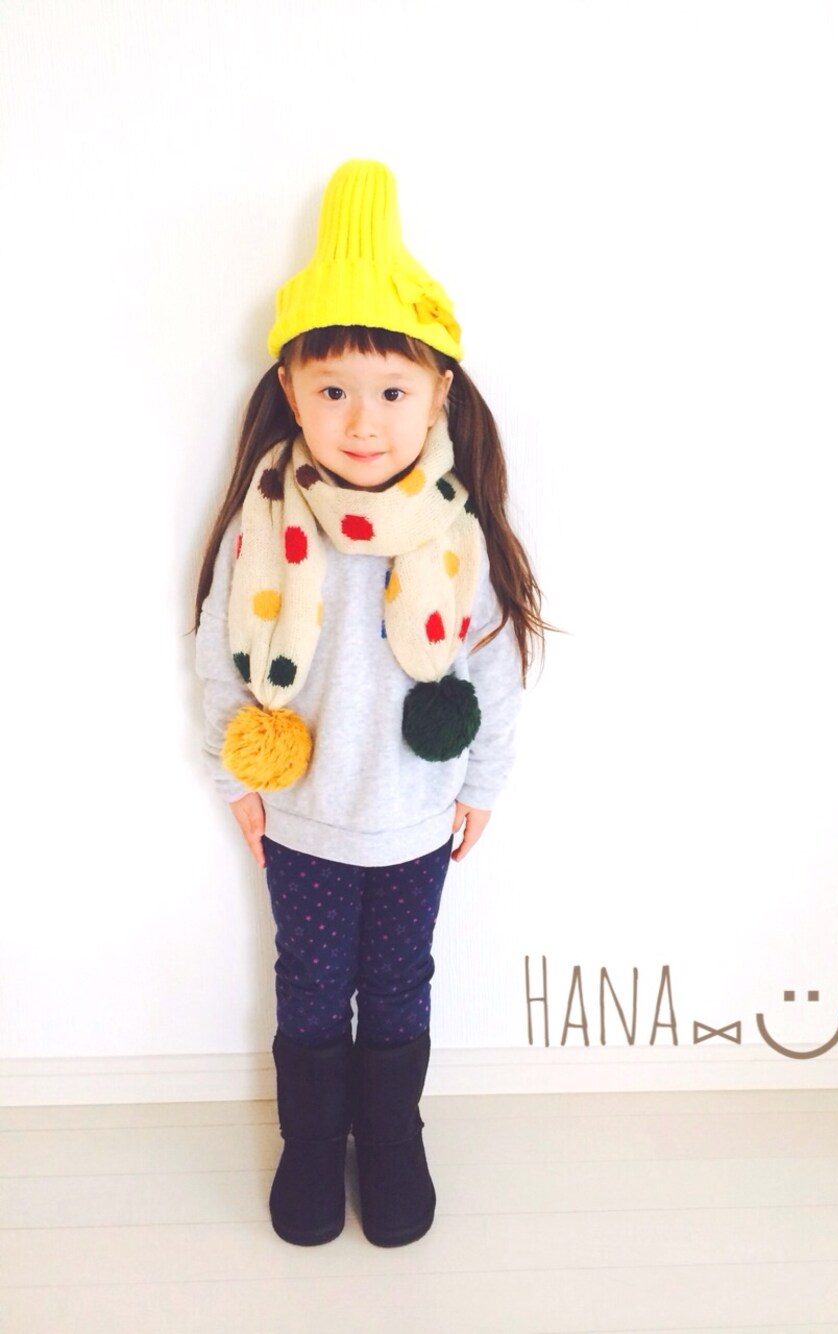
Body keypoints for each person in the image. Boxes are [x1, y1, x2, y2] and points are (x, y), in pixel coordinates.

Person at [194, 160, 544, 1249]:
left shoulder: (456, 532)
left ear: (439, 393)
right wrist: (234, 773)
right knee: (308, 981)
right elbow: (219, 650)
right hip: (300, 815)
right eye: (333, 388)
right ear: (291, 388)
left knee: (397, 982)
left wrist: (483, 783)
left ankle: (391, 1134)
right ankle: (312, 1140)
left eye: (392, 390)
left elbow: (492, 664)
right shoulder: (265, 516)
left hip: (413, 819)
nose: (361, 419)